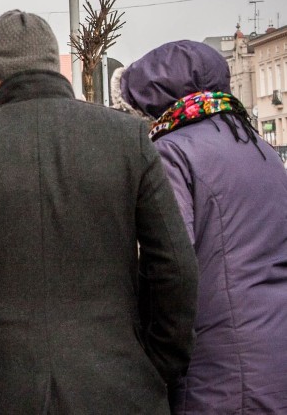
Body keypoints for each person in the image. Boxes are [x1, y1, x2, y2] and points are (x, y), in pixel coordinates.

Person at [0, 10, 199, 414]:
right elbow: (175, 264)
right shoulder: (127, 137)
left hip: (6, 382)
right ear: (54, 67)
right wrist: (161, 361)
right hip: (119, 376)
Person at [119, 40, 287, 414]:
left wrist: (159, 355)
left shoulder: (171, 152)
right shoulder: (260, 148)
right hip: (275, 344)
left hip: (218, 361)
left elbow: (172, 264)